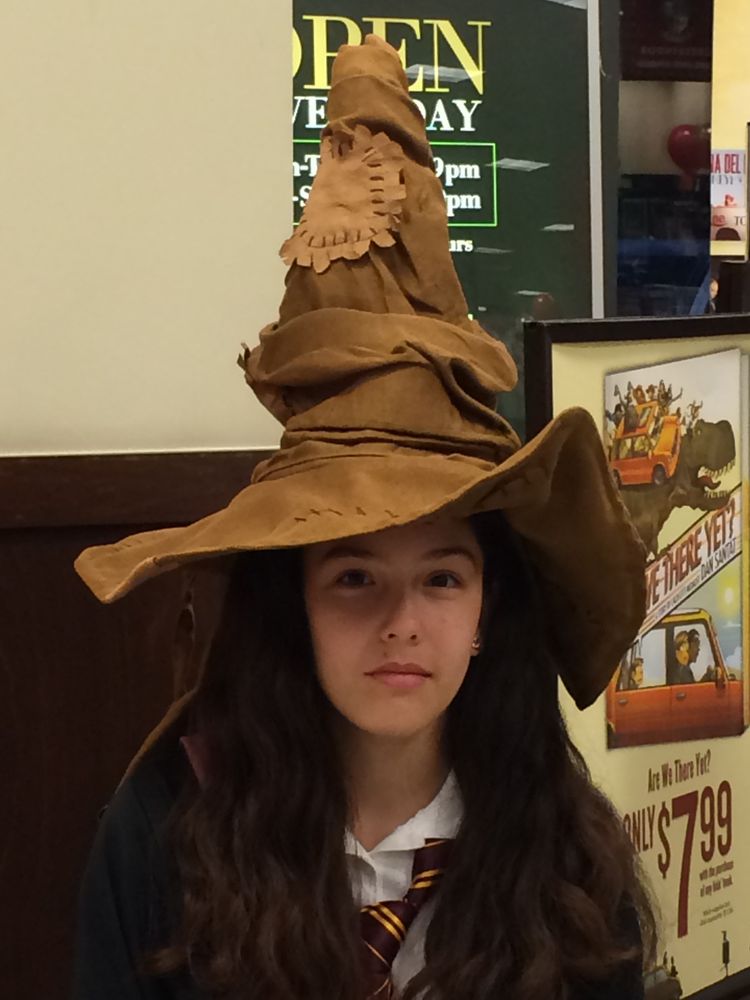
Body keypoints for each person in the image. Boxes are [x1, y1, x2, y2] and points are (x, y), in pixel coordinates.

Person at [72, 35, 654, 1000]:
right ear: (292, 599)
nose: (401, 621)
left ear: (487, 607)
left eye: (442, 576)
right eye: (353, 576)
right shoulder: (164, 835)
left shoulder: (566, 854)